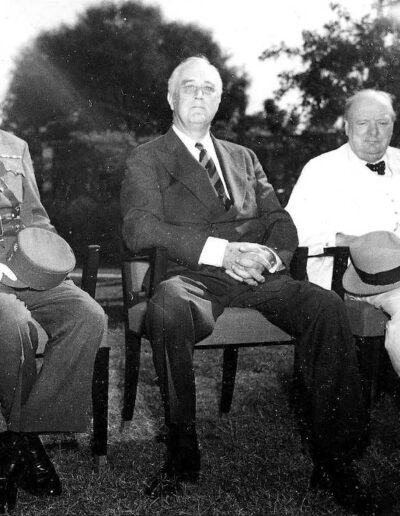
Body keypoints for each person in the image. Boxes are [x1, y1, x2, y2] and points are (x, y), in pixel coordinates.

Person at [120, 57, 383, 514]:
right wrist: (224, 252)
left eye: (209, 88)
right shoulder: (148, 157)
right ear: (170, 98)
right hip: (193, 276)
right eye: (189, 88)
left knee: (325, 307)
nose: (199, 95)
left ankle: (334, 460)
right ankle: (182, 453)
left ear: (220, 100)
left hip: (258, 275)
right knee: (167, 307)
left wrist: (270, 257)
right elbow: (139, 227)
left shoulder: (244, 157)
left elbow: (280, 220)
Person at [0, 129, 107, 513]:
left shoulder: (15, 146)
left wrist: (46, 251)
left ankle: (16, 440)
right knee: (12, 320)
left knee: (88, 315)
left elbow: (36, 216)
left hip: (26, 263)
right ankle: (28, 449)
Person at [286, 89, 400, 376]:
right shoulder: (321, 169)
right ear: (346, 126)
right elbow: (295, 232)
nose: (374, 133)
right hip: (352, 277)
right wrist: (351, 242)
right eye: (363, 123)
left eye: (383, 123)